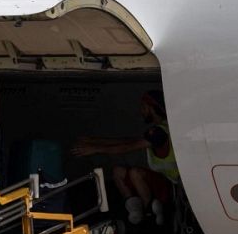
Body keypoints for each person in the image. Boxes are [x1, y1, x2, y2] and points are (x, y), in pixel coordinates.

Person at [71, 90, 180, 226]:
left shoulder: (158, 132)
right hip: (160, 180)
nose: (141, 111)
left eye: (143, 107)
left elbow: (127, 147)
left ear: (150, 107)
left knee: (135, 173)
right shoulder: (159, 129)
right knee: (118, 171)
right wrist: (94, 141)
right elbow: (127, 141)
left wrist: (95, 149)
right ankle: (135, 210)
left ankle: (150, 212)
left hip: (170, 184)